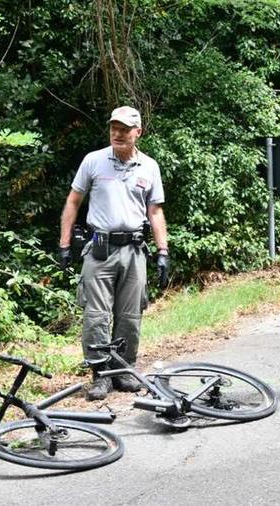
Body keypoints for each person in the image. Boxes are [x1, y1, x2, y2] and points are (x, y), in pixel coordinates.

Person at [59, 105, 170, 401]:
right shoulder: (93, 161)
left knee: (130, 315)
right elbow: (73, 202)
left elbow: (155, 211)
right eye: (113, 128)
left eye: (124, 129)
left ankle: (122, 370)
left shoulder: (149, 166)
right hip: (99, 249)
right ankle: (100, 374)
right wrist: (65, 244)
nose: (117, 134)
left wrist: (163, 251)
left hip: (134, 250)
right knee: (96, 314)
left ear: (138, 132)